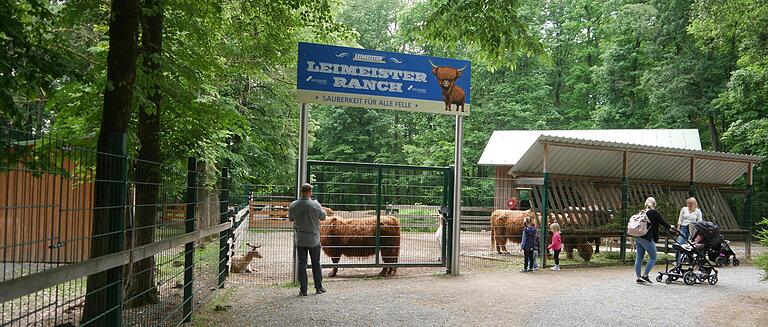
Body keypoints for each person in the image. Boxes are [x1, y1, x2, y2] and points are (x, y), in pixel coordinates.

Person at [288, 183, 327, 296]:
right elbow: (323, 217)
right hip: (314, 238)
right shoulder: (315, 205)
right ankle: (318, 287)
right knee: (316, 263)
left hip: (300, 239)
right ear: (310, 192)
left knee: (302, 264)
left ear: (301, 191)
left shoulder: (294, 205)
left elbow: (291, 219)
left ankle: (303, 289)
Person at [635, 197, 674, 284]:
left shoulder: (641, 212)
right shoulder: (654, 212)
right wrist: (671, 227)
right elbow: (662, 222)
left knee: (639, 257)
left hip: (638, 237)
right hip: (646, 237)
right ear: (654, 204)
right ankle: (645, 275)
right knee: (653, 257)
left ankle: (638, 277)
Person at [676, 197, 703, 264]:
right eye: (688, 203)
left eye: (690, 203)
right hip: (684, 228)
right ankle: (677, 261)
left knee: (690, 246)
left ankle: (690, 260)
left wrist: (698, 233)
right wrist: (678, 228)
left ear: (694, 204)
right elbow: (680, 219)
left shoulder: (698, 211)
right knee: (679, 244)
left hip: (692, 230)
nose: (689, 205)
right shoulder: (684, 209)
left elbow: (699, 222)